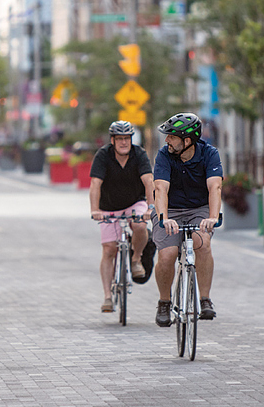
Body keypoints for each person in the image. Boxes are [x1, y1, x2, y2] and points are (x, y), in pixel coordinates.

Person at [151, 112, 223, 327]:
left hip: (198, 209)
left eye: (171, 136)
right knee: (168, 254)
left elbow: (215, 187)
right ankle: (164, 302)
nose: (166, 140)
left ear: (187, 140)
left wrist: (212, 217)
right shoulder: (164, 155)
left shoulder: (209, 154)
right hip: (169, 210)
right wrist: (163, 218)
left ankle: (205, 299)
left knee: (203, 243)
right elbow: (160, 189)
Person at [90, 121, 155, 313]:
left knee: (141, 225)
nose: (124, 143)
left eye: (127, 138)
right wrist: (95, 210)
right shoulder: (103, 155)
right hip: (108, 207)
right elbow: (95, 184)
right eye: (120, 139)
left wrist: (150, 209)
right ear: (113, 140)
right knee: (109, 249)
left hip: (135, 202)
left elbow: (148, 181)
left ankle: (136, 259)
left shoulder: (139, 154)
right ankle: (108, 297)